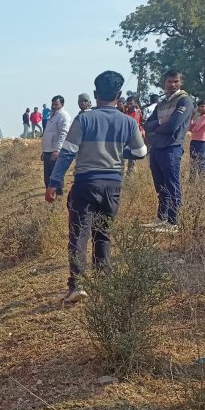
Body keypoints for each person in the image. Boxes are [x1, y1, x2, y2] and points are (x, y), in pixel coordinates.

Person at [46, 70, 146, 303]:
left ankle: (77, 285)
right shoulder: (129, 122)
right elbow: (141, 152)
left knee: (79, 235)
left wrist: (54, 182)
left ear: (94, 94)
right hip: (113, 186)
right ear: (119, 95)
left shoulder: (84, 119)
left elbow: (68, 152)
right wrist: (121, 151)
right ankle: (104, 283)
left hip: (86, 184)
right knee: (103, 235)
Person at [143, 70, 194, 232]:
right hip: (157, 148)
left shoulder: (185, 100)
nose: (172, 84)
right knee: (160, 186)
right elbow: (147, 124)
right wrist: (161, 123)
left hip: (171, 148)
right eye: (169, 81)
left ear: (181, 82)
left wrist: (157, 127)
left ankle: (173, 222)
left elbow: (173, 126)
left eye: (175, 81)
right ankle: (161, 218)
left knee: (172, 185)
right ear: (164, 83)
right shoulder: (162, 102)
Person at [41, 95, 71, 196]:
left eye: (56, 104)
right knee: (47, 177)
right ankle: (49, 198)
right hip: (48, 151)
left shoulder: (63, 116)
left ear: (62, 104)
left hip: (55, 152)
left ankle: (58, 198)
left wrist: (57, 150)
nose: (53, 106)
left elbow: (64, 134)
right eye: (52, 104)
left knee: (56, 176)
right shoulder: (52, 116)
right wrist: (44, 151)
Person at [189, 100, 205, 177]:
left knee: (198, 162)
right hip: (195, 140)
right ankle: (192, 181)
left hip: (200, 142)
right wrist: (191, 117)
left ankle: (201, 181)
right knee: (194, 161)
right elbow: (190, 127)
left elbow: (194, 129)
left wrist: (192, 126)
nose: (200, 108)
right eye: (199, 106)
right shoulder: (200, 117)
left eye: (203, 106)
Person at [123, 96, 144, 175]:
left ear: (135, 103)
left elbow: (142, 122)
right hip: (126, 138)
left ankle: (131, 175)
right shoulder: (125, 113)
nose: (129, 105)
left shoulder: (139, 112)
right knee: (125, 156)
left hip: (135, 137)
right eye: (128, 103)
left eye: (131, 103)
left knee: (133, 157)